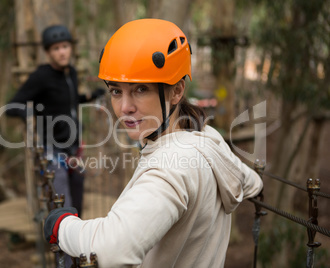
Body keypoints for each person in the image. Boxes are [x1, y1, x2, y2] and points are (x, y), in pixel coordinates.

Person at [43, 19, 263, 268]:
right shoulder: (207, 138)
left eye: (141, 89)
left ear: (177, 91)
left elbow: (111, 250)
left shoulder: (170, 168)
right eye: (116, 91)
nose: (125, 107)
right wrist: (256, 183)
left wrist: (62, 227)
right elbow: (250, 181)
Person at [6, 25, 104, 216]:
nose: (62, 52)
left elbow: (71, 100)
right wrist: (31, 112)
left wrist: (91, 96)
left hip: (74, 148)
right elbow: (12, 106)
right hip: (53, 150)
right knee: (62, 207)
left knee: (77, 203)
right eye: (56, 48)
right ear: (48, 52)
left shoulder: (71, 73)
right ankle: (63, 244)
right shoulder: (41, 76)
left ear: (71, 48)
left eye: (65, 46)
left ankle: (77, 245)